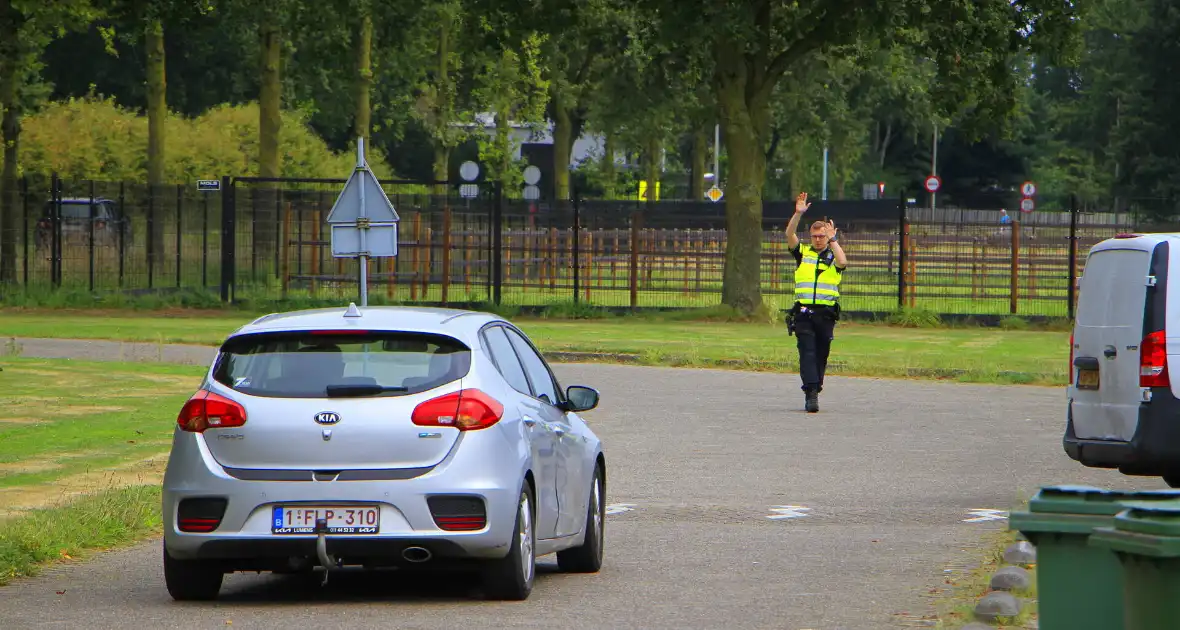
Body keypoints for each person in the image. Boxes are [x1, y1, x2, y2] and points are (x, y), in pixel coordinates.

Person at [784, 192, 848, 413]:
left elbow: (843, 261)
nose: (818, 239)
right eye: (815, 236)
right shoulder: (803, 254)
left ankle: (816, 386)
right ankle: (810, 393)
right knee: (807, 351)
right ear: (810, 237)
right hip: (803, 313)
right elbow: (790, 233)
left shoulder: (832, 255)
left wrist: (834, 240)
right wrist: (798, 214)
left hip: (826, 314)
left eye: (822, 236)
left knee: (821, 353)